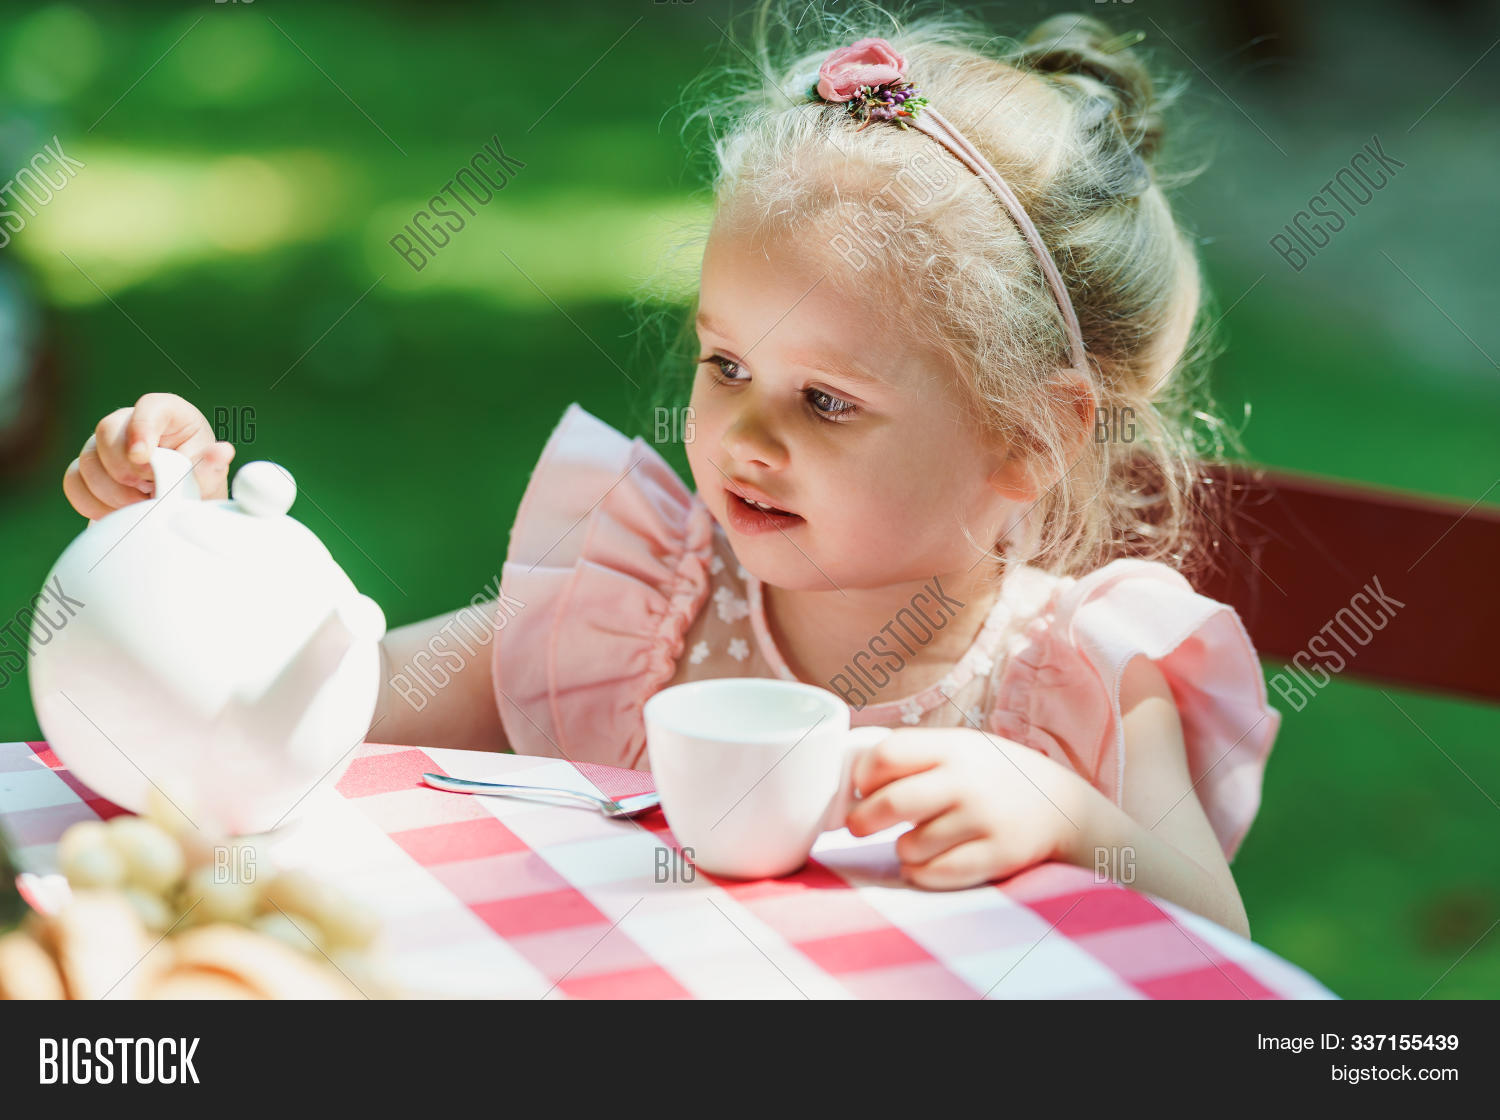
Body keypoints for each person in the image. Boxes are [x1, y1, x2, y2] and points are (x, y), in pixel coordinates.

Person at [61, 8, 1278, 937]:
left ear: (1031, 441)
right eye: (728, 362)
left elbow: (1229, 957)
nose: (748, 434)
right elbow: (322, 702)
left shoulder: (1079, 687)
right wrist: (200, 548)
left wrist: (1072, 819)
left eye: (828, 401)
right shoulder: (639, 606)